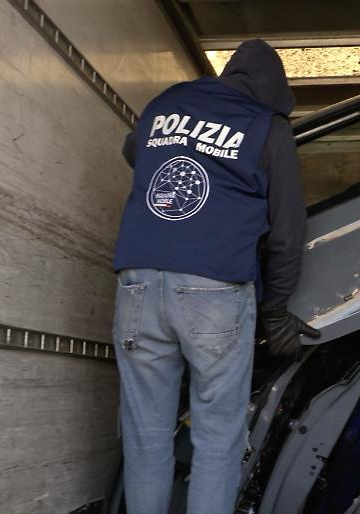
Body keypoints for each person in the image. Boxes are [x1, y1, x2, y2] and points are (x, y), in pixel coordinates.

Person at [112, 39, 320, 514]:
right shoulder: (267, 126)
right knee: (217, 438)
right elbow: (288, 229)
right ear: (275, 89)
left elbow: (133, 150)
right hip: (213, 289)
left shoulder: (165, 104)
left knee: (145, 436)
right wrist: (276, 309)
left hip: (137, 283)